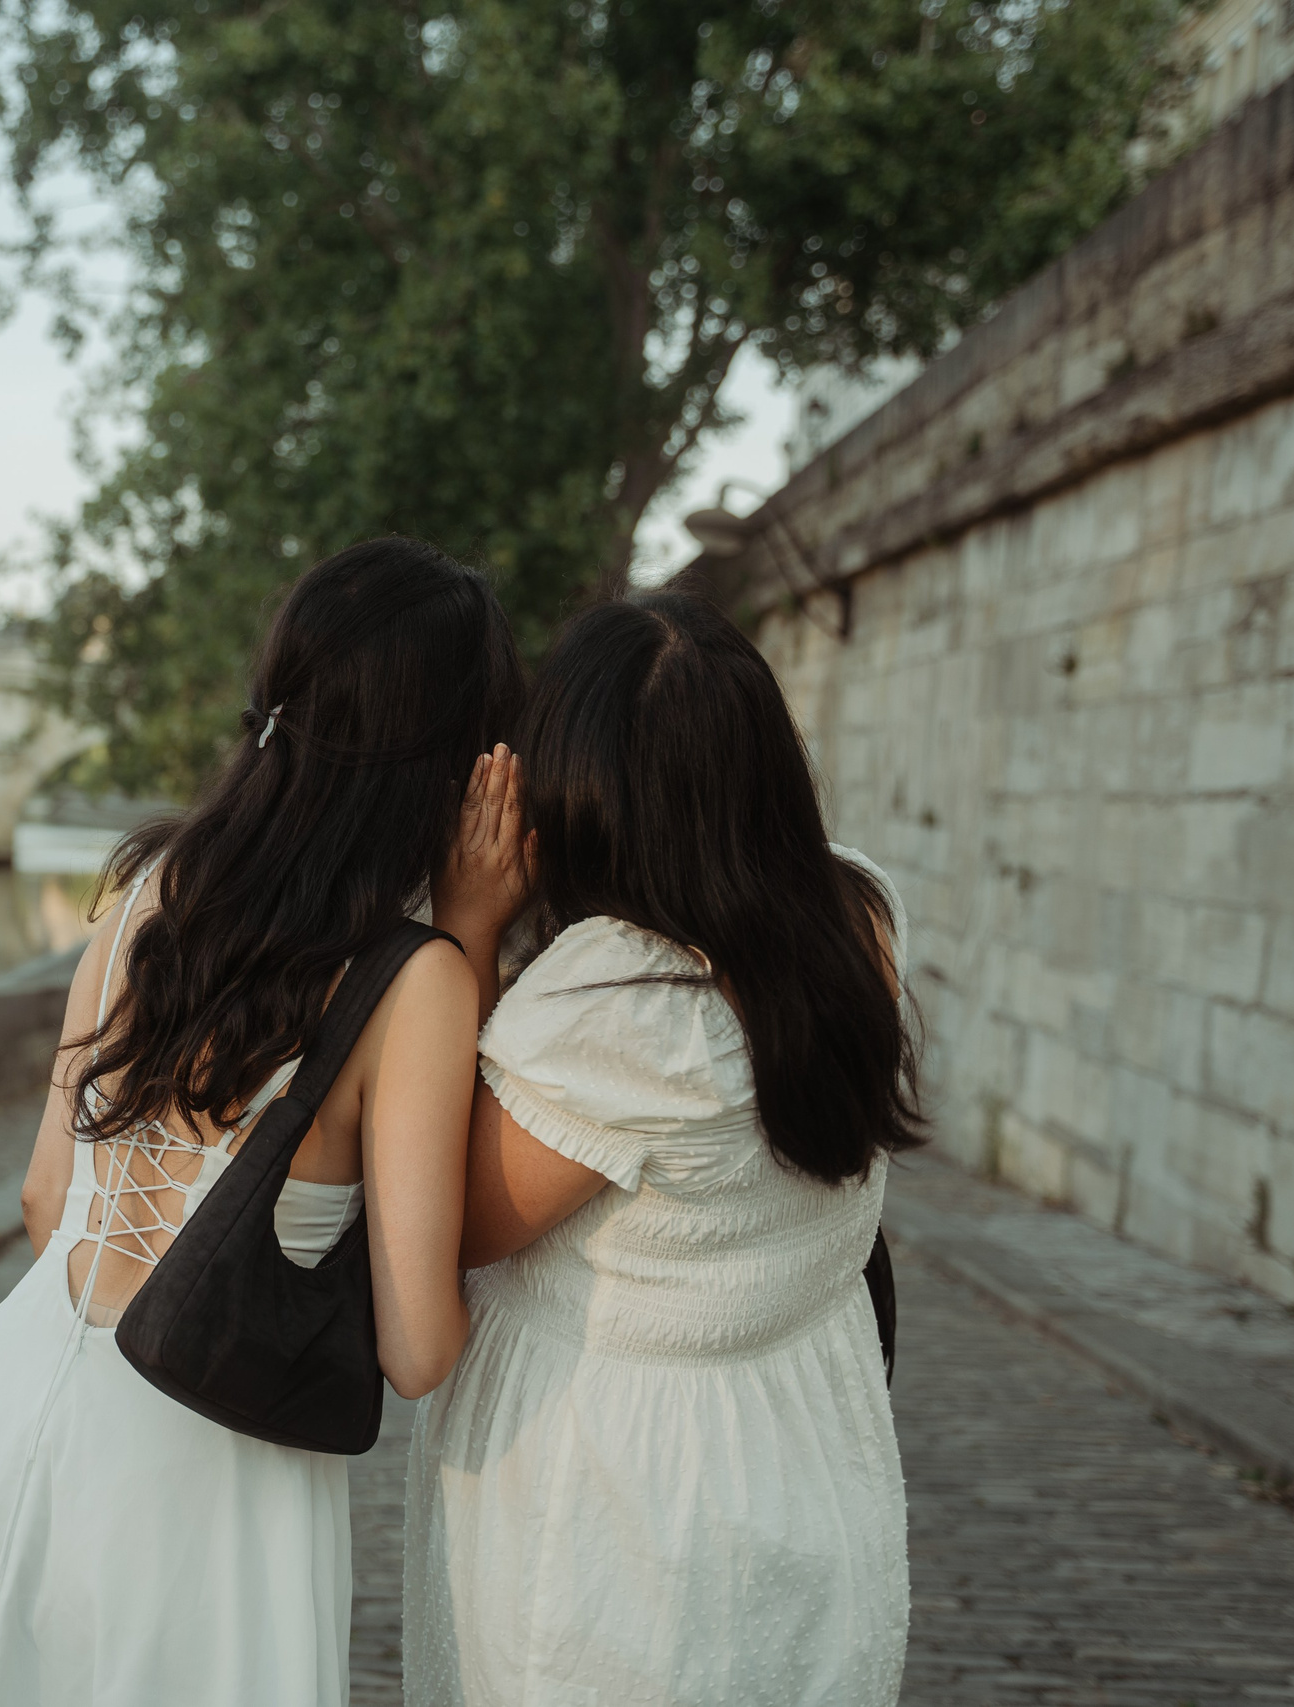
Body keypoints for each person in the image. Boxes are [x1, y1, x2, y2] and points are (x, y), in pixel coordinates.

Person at [0, 537, 526, 1707]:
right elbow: (420, 1351)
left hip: (11, 1397)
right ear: (455, 760)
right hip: (211, 1466)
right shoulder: (415, 981)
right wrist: (472, 935)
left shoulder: (145, 885)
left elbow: (44, 1198)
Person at [408, 590, 922, 1707]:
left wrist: (468, 930)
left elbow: (437, 1221)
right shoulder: (856, 912)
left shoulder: (620, 1004)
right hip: (804, 1437)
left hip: (623, 1499)